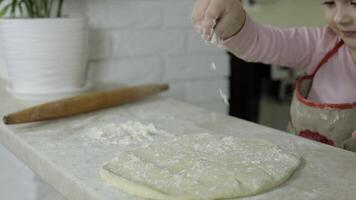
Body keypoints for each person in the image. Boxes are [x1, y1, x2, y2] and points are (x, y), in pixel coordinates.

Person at [192, 0, 356, 152]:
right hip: (309, 169)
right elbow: (258, 42)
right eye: (330, 3)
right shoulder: (321, 44)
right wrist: (233, 21)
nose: (340, 18)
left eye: (354, 3)